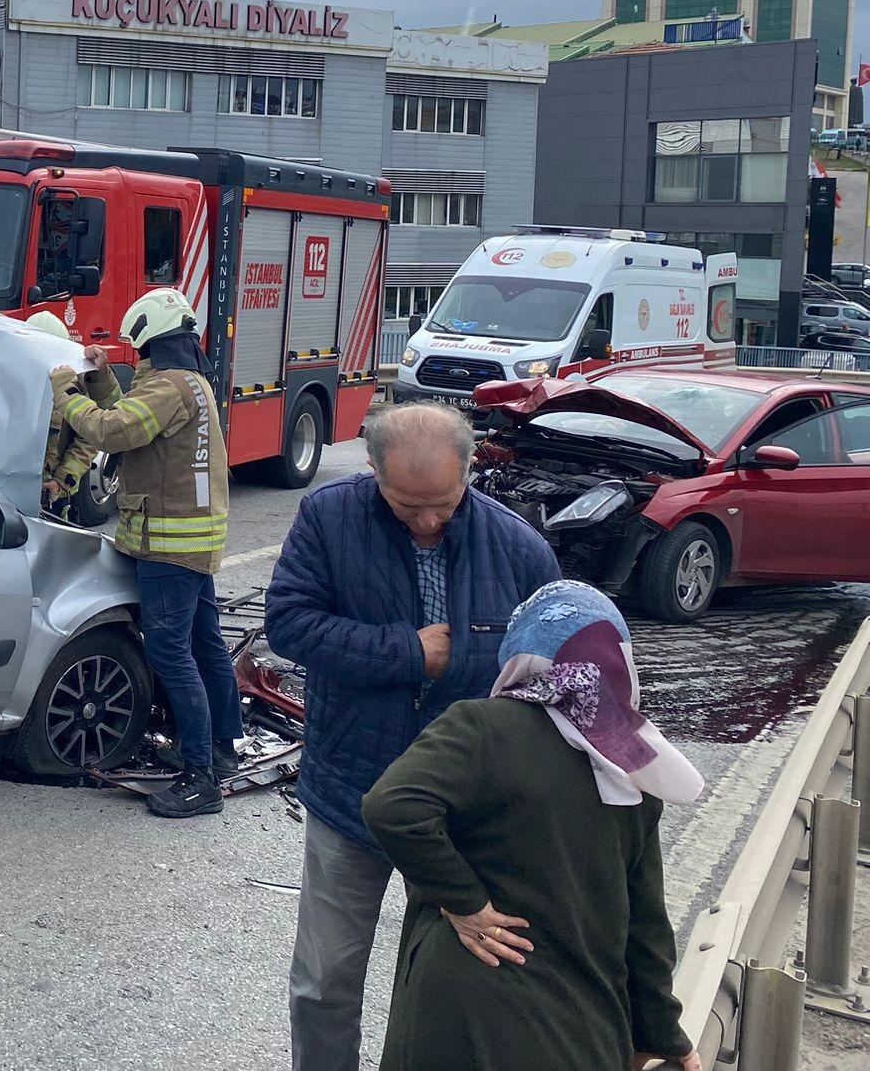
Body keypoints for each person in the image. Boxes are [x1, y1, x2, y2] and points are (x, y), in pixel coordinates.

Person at [266, 402, 561, 1071]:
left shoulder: (519, 548)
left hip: (466, 813)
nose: (428, 522)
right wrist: (408, 652)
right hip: (353, 794)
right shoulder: (329, 518)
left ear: (470, 470)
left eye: (444, 505)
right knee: (324, 982)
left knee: (462, 981)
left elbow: (559, 673)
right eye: (407, 508)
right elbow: (288, 624)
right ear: (373, 472)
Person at [362, 580, 701, 1071]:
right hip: (576, 1029)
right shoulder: (634, 767)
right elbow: (646, 926)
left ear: (520, 657)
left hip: (461, 1012)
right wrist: (664, 1035)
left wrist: (466, 901)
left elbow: (391, 806)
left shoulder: (483, 727)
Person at [51, 286, 239, 817]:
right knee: (206, 647)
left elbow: (112, 431)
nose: (137, 357)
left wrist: (68, 395)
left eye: (137, 350)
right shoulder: (190, 382)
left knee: (171, 655)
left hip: (169, 545)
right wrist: (104, 380)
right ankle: (221, 748)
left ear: (149, 339)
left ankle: (200, 778)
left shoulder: (170, 386)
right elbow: (133, 417)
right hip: (194, 542)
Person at [25, 310, 109, 521]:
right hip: (11, 488)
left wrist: (61, 482)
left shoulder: (74, 384)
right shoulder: (11, 379)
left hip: (53, 496)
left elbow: (87, 439)